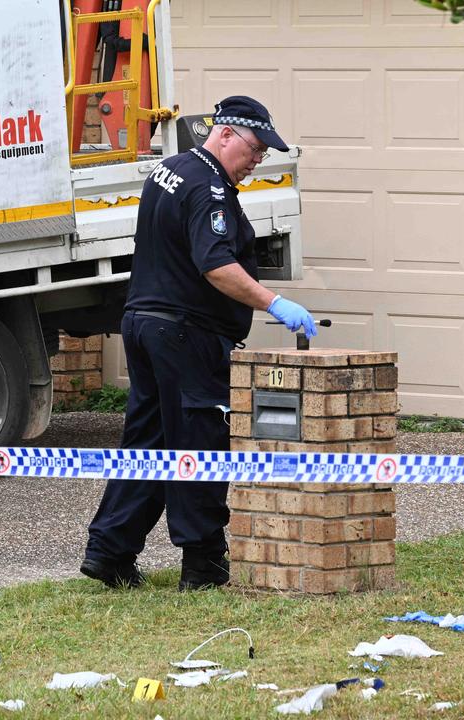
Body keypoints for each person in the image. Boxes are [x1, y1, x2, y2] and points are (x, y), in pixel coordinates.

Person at [81, 96, 317, 591]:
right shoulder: (208, 189)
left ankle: (110, 552)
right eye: (254, 150)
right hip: (186, 335)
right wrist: (273, 303)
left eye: (264, 155)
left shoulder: (170, 171)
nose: (258, 161)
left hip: (146, 324)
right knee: (198, 445)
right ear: (226, 134)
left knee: (149, 445)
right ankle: (203, 563)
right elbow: (215, 266)